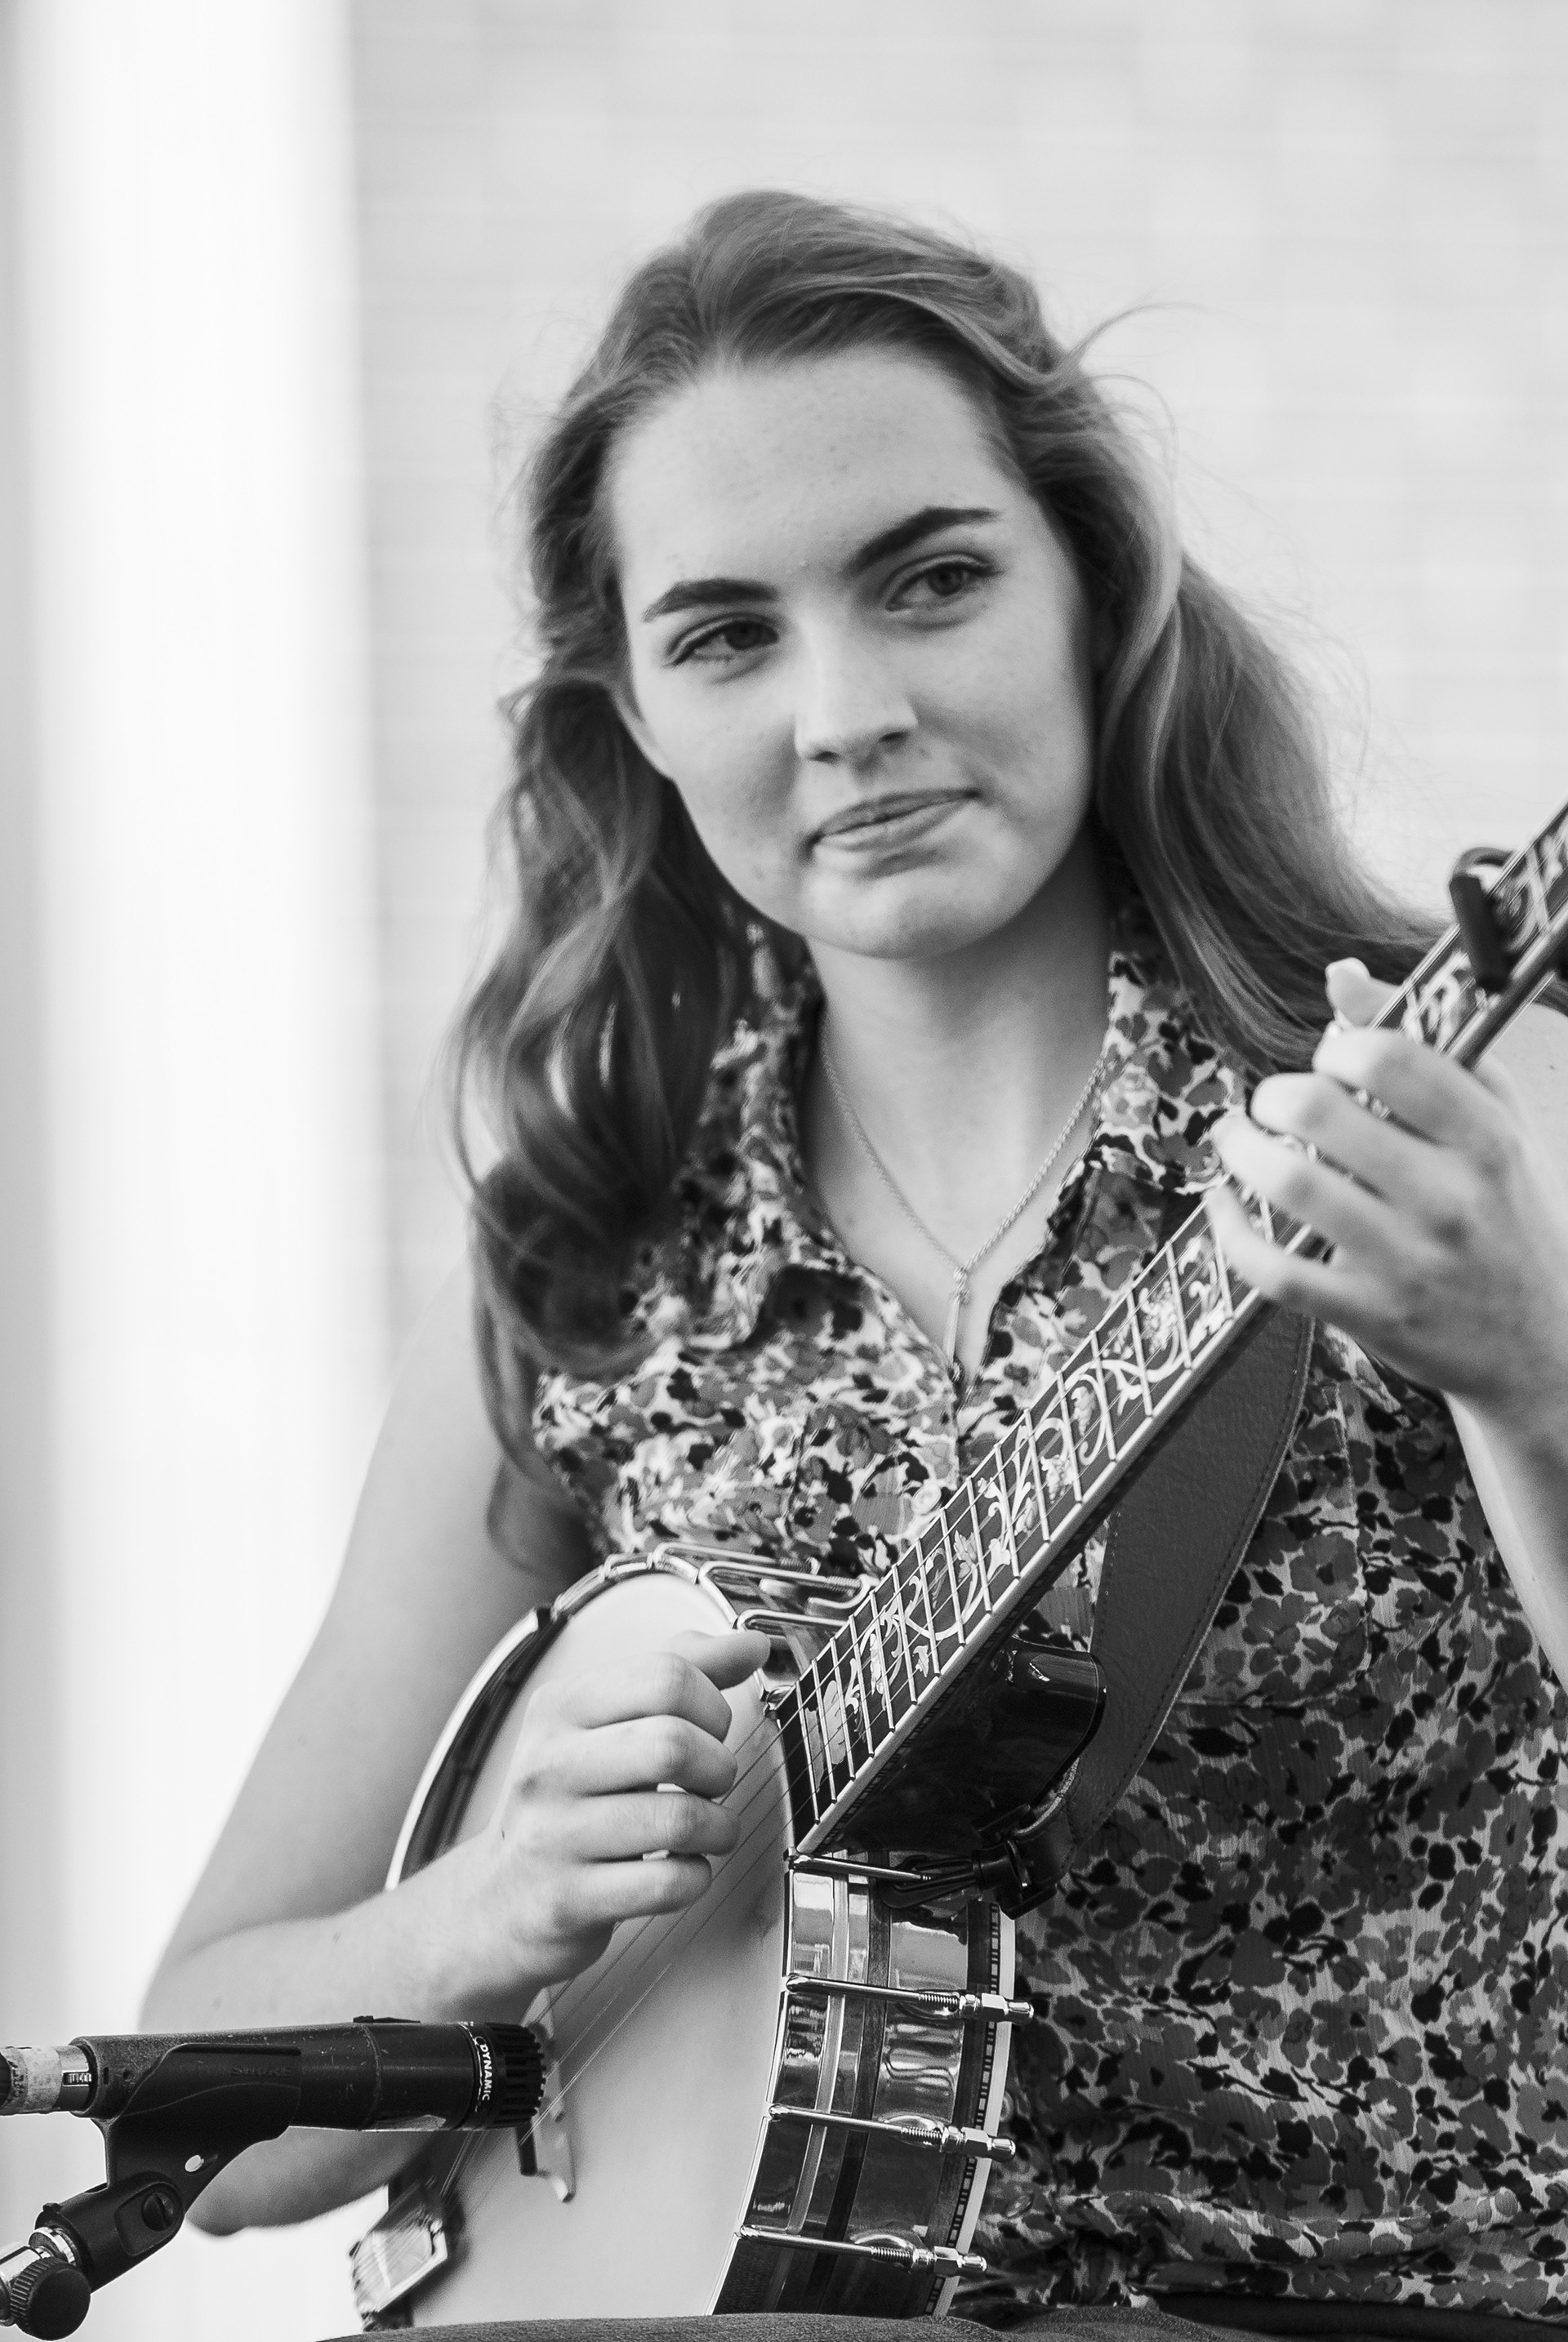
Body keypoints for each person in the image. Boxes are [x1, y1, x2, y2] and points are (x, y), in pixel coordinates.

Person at [141, 190, 1568, 2338]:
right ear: (634, 712)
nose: (849, 709)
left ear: (1099, 588)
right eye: (729, 635)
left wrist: (1531, 1370)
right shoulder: (588, 1266)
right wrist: (484, 1914)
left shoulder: (1460, 1108)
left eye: (932, 580)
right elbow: (193, 2118)